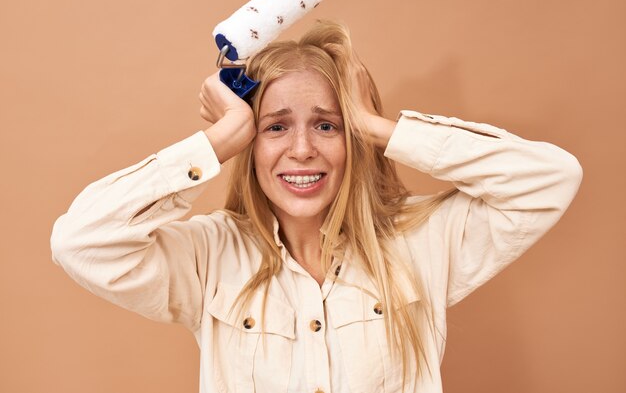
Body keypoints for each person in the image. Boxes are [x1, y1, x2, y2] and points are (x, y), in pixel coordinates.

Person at [50, 20, 583, 393]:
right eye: (275, 127)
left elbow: (551, 178)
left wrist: (375, 126)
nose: (301, 149)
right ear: (249, 145)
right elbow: (80, 243)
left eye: (327, 125)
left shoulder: (422, 243)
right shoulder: (209, 257)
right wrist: (217, 141)